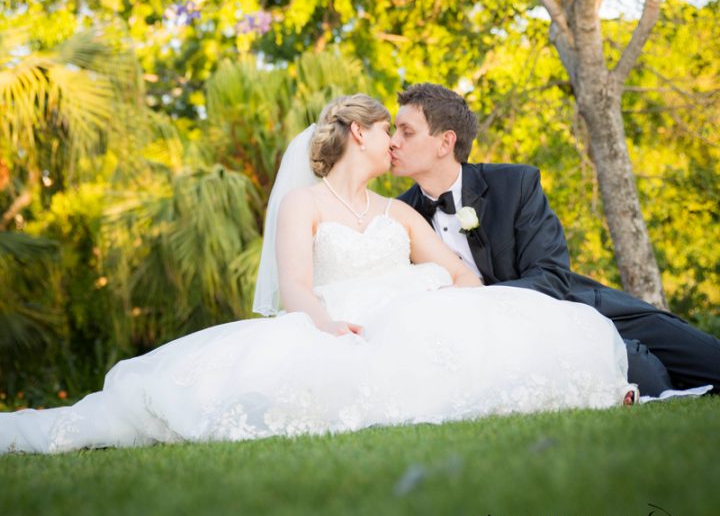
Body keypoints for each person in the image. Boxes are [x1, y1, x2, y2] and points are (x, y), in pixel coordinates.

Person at [0, 94, 636, 456]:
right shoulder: (303, 206)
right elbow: (296, 286)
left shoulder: (397, 212)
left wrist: (466, 305)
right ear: (359, 132)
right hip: (329, 320)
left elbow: (460, 277)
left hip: (403, 320)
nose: (394, 144)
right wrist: (328, 325)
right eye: (388, 131)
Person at [391, 82, 720, 398]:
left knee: (709, 362)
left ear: (445, 142)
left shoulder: (515, 183)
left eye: (406, 132)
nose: (393, 142)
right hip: (514, 350)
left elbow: (550, 276)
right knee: (648, 378)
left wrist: (479, 300)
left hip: (581, 309)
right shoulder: (400, 216)